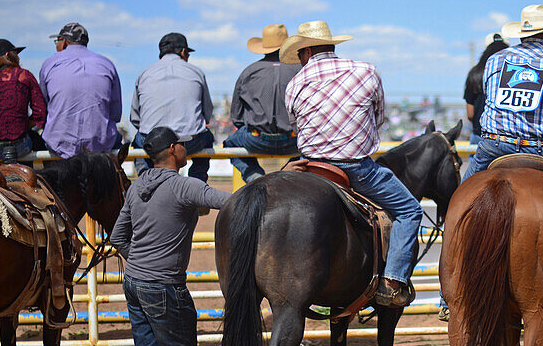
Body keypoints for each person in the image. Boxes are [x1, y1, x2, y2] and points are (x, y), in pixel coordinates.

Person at [281, 20, 421, 307]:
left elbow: (295, 125)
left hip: (313, 169)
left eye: (299, 55)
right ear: (331, 46)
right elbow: (379, 118)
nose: (299, 60)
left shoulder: (295, 83)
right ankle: (392, 281)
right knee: (410, 212)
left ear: (306, 51)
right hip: (356, 168)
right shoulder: (367, 71)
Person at [110, 126, 231, 346]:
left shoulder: (137, 189)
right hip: (163, 285)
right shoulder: (184, 186)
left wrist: (140, 262)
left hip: (134, 281)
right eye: (182, 144)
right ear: (174, 150)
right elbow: (229, 201)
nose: (186, 149)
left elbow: (118, 236)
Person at [462, 4, 543, 180]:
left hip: (495, 146)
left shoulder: (495, 60)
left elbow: (489, 102)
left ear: (523, 34)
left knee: (459, 198)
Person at [130, 33, 213, 181]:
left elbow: (135, 119)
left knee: (138, 139)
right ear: (183, 52)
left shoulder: (145, 73)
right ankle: (197, 184)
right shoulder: (196, 72)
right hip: (188, 142)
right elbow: (207, 115)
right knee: (207, 136)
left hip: (154, 142)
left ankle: (146, 179)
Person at [223, 24, 301, 181]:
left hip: (257, 138)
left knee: (229, 143)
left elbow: (236, 117)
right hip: (294, 140)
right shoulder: (300, 70)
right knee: (315, 145)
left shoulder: (249, 72)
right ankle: (288, 174)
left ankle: (256, 178)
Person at [38, 22, 122, 158]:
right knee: (117, 138)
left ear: (64, 42)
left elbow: (43, 106)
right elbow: (115, 114)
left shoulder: (50, 63)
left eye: (57, 41)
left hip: (59, 145)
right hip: (99, 145)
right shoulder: (107, 64)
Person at [463, 33, 507, 144]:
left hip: (479, 134)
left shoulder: (474, 73)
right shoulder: (512, 73)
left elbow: (470, 114)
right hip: (507, 138)